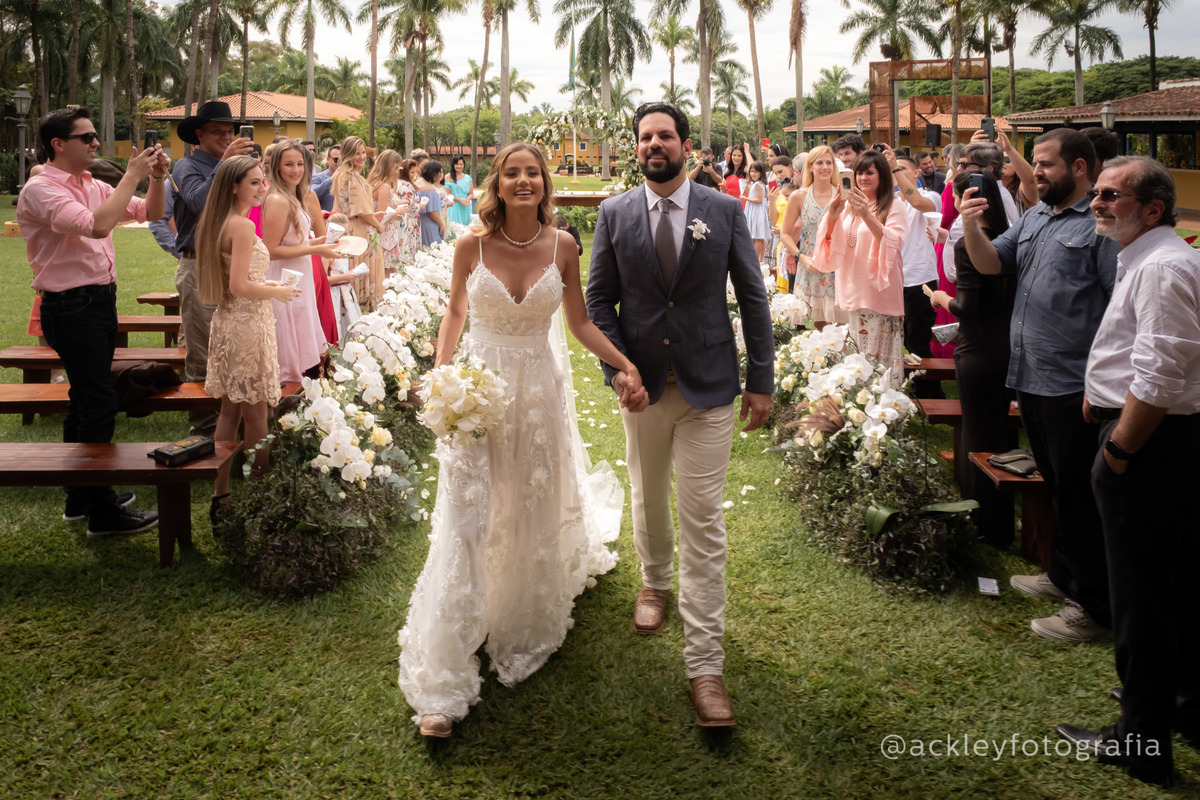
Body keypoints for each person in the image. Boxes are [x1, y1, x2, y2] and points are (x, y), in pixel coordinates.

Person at [396, 142, 643, 739]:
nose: (524, 181)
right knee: (469, 512)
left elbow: (579, 322)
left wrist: (623, 363)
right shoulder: (471, 245)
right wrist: (439, 376)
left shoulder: (563, 246)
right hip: (476, 393)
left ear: (544, 183)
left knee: (527, 501)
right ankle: (444, 675)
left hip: (536, 395)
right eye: (513, 173)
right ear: (498, 183)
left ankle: (520, 606)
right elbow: (455, 313)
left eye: (533, 172)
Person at [587, 102, 774, 729]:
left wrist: (761, 381)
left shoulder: (721, 210)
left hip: (708, 388)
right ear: (636, 147)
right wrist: (619, 371)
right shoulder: (614, 213)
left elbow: (752, 297)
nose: (654, 144)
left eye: (665, 135)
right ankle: (655, 582)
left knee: (703, 519)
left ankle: (705, 665)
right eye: (645, 137)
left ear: (686, 145)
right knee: (646, 498)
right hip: (642, 389)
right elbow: (598, 304)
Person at [1056, 157, 1200, 787]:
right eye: (1097, 193)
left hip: (1147, 445)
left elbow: (1162, 373)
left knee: (1141, 596)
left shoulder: (1162, 266)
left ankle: (1142, 741)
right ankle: (1177, 705)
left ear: (1153, 209)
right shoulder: (1144, 256)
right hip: (1151, 436)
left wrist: (1118, 451)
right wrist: (1101, 390)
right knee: (1170, 584)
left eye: (1111, 195)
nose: (1096, 202)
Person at [961, 127, 1118, 642]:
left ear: (1079, 167)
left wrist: (1101, 381)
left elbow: (1119, 309)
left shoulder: (1100, 225)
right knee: (1057, 486)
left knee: (1081, 496)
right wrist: (971, 225)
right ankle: (1064, 575)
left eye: (1046, 163)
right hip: (1029, 376)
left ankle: (1093, 609)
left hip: (1074, 384)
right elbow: (989, 263)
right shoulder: (1034, 218)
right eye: (1036, 162)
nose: (1035, 172)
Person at [17, 106, 168, 535]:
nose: (96, 143)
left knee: (83, 401)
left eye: (94, 135)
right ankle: (102, 511)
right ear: (58, 144)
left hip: (98, 303)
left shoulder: (91, 184)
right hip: (70, 307)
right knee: (99, 403)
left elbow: (150, 212)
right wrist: (132, 175)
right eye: (86, 137)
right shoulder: (42, 189)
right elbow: (97, 227)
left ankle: (80, 496)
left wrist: (157, 178)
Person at [196, 156, 301, 523]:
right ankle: (261, 494)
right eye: (255, 182)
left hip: (230, 322)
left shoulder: (218, 221)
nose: (263, 188)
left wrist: (268, 283)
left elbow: (237, 280)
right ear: (234, 186)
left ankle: (221, 495)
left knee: (229, 412)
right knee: (256, 416)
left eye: (262, 181)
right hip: (247, 327)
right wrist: (276, 292)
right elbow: (239, 285)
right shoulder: (241, 226)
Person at [929, 171, 1017, 547]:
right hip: (1007, 348)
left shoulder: (969, 244)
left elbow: (968, 307)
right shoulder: (1011, 238)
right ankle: (1000, 521)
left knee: (978, 439)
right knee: (1002, 434)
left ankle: (984, 523)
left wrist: (940, 299)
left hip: (978, 349)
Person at [173, 101, 254, 437]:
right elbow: (197, 201)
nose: (226, 137)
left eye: (229, 131)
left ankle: (235, 423)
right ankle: (204, 430)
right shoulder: (186, 165)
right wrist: (224, 164)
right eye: (217, 131)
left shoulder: (238, 167)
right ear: (199, 135)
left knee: (235, 346)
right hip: (199, 264)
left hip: (235, 266)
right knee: (203, 349)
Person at [813, 149, 909, 375]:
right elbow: (830, 242)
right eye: (859, 173)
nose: (863, 178)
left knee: (879, 363)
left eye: (869, 173)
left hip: (879, 291)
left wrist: (866, 214)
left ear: (882, 176)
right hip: (852, 288)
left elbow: (893, 242)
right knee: (855, 356)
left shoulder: (894, 206)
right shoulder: (847, 206)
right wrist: (833, 216)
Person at [261, 140, 338, 382]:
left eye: (300, 164)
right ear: (276, 166)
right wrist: (315, 249)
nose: (296, 170)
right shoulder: (278, 199)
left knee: (302, 336)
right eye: (288, 164)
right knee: (289, 341)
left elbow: (296, 240)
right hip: (285, 277)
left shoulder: (294, 196)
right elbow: (270, 249)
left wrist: (322, 243)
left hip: (300, 276)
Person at [891, 151, 943, 399]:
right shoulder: (891, 202)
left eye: (900, 168)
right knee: (898, 338)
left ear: (916, 173)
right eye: (892, 168)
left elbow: (918, 203)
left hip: (920, 277)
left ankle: (929, 393)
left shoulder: (930, 196)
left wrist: (894, 168)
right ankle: (907, 388)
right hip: (894, 278)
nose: (894, 172)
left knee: (918, 338)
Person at [781, 145, 842, 327]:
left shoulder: (842, 194)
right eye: (819, 163)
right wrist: (801, 257)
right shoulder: (799, 196)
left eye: (829, 163)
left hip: (838, 269)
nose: (825, 167)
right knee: (815, 329)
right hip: (810, 268)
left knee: (842, 330)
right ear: (810, 166)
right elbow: (785, 233)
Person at [332, 136, 385, 309]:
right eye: (357, 153)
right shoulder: (352, 178)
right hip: (360, 231)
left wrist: (372, 215)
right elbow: (361, 211)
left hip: (350, 227)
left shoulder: (342, 175)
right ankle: (364, 306)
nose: (361, 157)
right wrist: (378, 224)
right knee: (362, 269)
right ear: (348, 155)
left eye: (363, 153)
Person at [367, 149, 409, 275]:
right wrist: (397, 212)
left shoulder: (375, 183)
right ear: (387, 166)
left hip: (383, 232)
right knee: (388, 272)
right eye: (395, 168)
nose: (397, 172)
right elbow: (381, 215)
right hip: (385, 235)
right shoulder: (384, 187)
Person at [323, 213, 361, 338]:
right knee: (339, 325)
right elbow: (322, 280)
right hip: (334, 294)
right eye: (341, 233)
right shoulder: (326, 252)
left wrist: (350, 273)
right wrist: (344, 277)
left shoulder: (342, 248)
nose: (344, 237)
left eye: (346, 233)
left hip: (346, 293)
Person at [742, 161, 771, 263]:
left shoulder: (758, 184)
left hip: (756, 212)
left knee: (756, 236)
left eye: (756, 172)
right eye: (751, 171)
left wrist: (746, 199)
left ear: (761, 173)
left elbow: (759, 200)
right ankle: (760, 260)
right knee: (759, 237)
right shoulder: (757, 184)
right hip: (756, 210)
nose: (753, 174)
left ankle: (756, 259)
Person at [415, 159, 446, 246]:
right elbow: (432, 212)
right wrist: (441, 224)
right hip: (430, 223)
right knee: (432, 247)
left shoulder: (418, 183)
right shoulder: (430, 190)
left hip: (420, 221)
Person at [444, 155, 474, 226]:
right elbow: (447, 194)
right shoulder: (448, 177)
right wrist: (460, 200)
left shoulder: (468, 178)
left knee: (466, 227)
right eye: (457, 164)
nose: (459, 166)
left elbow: (471, 193)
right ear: (453, 164)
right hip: (454, 206)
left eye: (461, 164)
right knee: (454, 227)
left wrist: (468, 198)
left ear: (464, 165)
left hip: (465, 206)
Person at [310, 145, 340, 213]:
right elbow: (312, 194)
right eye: (336, 160)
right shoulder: (318, 177)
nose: (339, 163)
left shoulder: (349, 179)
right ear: (328, 159)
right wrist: (332, 179)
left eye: (343, 160)